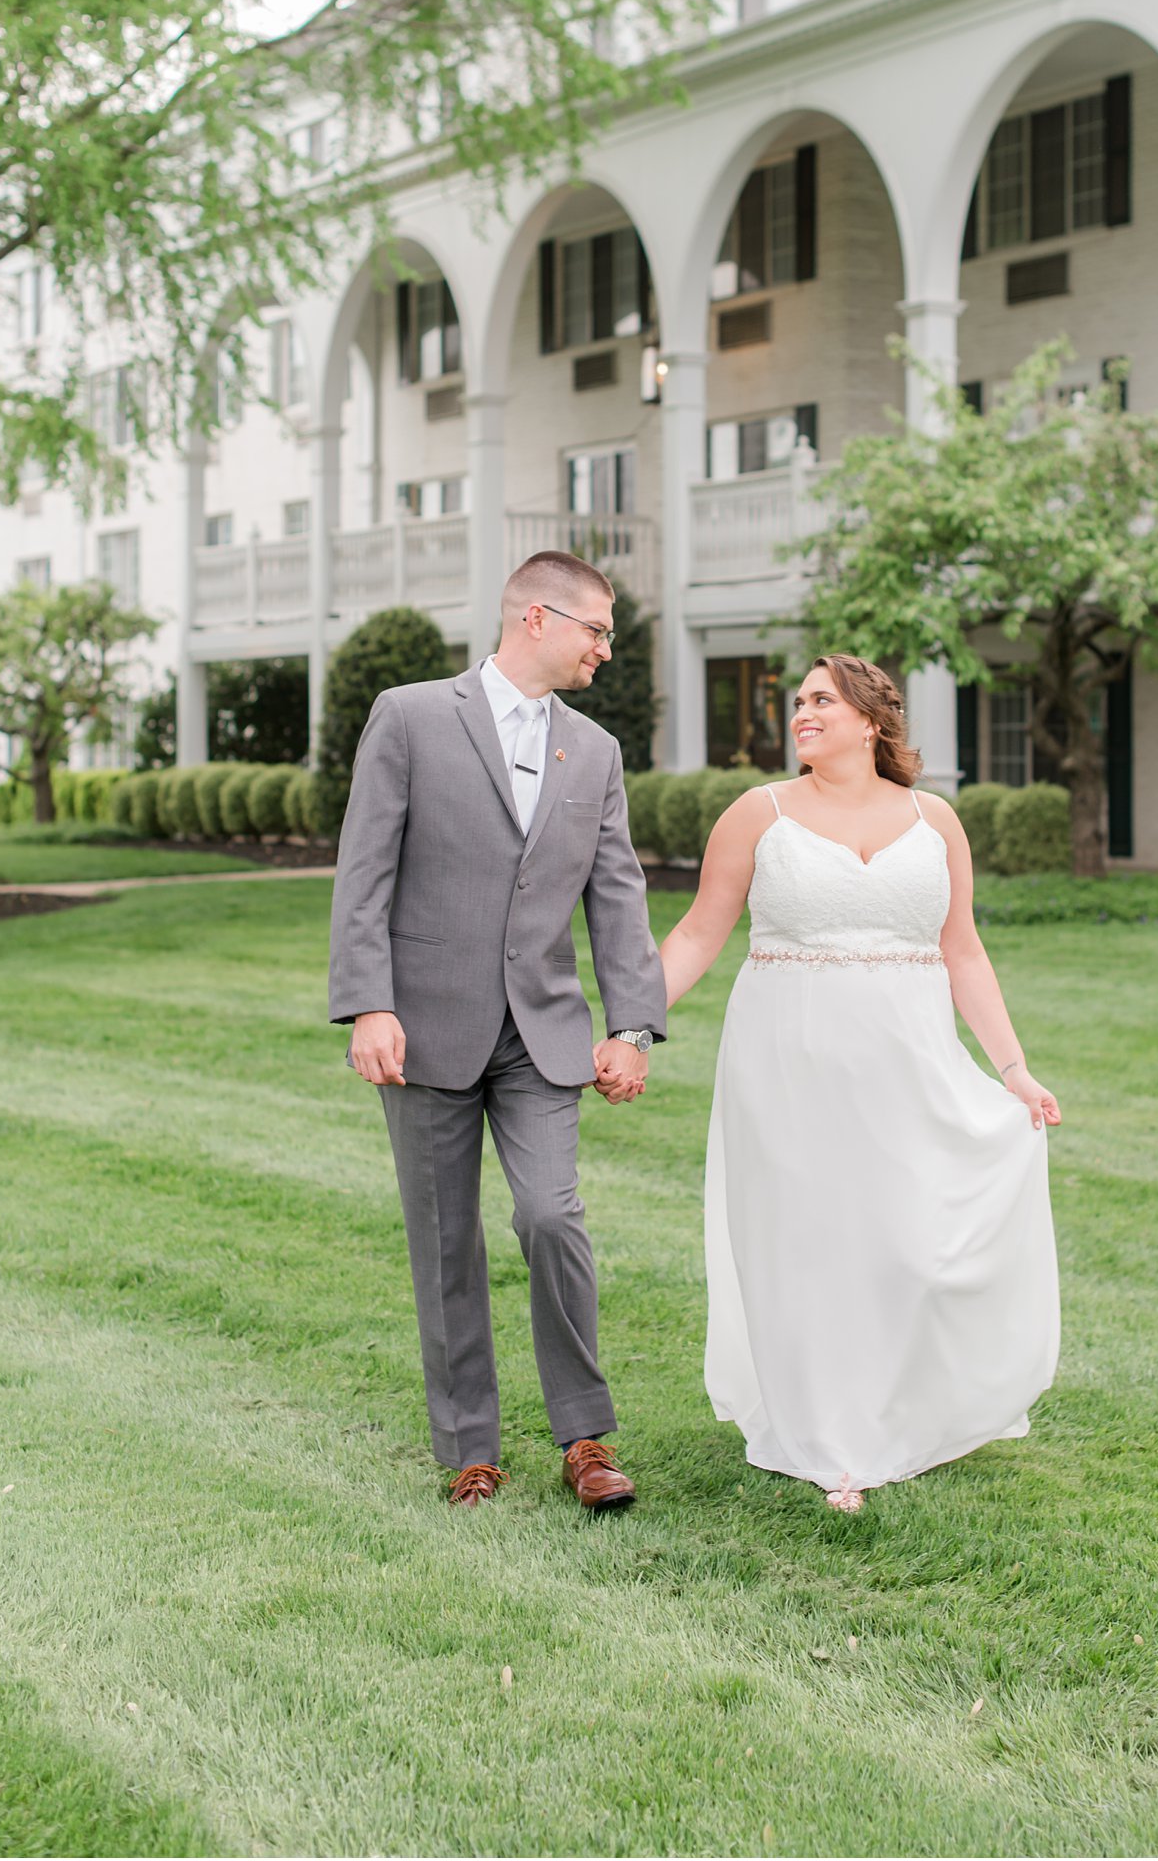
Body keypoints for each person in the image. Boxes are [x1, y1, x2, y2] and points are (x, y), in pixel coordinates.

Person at [650, 652, 1060, 1512]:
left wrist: (1013, 1070)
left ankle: (905, 1410)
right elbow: (695, 935)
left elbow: (964, 951)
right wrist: (627, 1024)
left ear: (872, 720)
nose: (801, 713)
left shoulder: (935, 818)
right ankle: (831, 1442)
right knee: (808, 1242)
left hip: (909, 1058)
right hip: (786, 1057)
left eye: (821, 701)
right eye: (797, 702)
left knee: (909, 1241)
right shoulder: (757, 814)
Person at [329, 551, 665, 1512]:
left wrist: (633, 1026)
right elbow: (365, 873)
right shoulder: (410, 716)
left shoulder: (594, 751)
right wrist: (369, 1003)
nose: (607, 649)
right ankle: (470, 1447)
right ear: (537, 619)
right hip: (424, 1026)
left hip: (543, 1032)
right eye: (597, 629)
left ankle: (586, 1438)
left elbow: (618, 893)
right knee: (446, 1242)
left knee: (551, 1217)